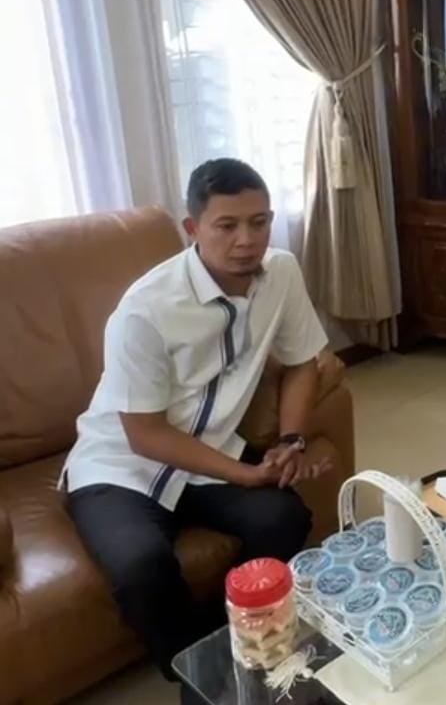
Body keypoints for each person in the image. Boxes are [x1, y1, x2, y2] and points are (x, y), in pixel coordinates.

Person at [62, 158, 333, 692]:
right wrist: (244, 473)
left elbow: (304, 361)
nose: (246, 240)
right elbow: (144, 434)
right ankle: (202, 674)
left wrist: (291, 439)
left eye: (259, 222)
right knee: (141, 567)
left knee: (283, 517)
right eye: (227, 225)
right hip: (120, 465)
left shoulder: (281, 273)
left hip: (210, 451)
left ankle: (234, 638)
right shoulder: (144, 310)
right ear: (193, 228)